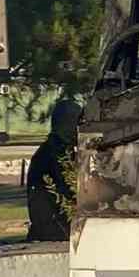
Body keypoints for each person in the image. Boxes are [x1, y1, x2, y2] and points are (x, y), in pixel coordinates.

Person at [26, 98, 82, 242]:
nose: (80, 127)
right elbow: (67, 191)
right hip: (54, 230)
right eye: (77, 121)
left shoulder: (57, 150)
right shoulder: (54, 153)